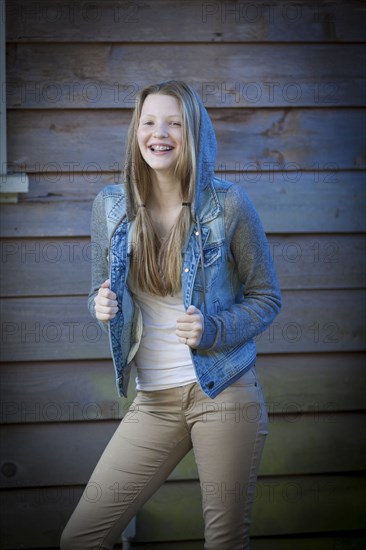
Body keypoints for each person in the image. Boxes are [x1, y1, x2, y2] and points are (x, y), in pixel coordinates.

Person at [60, 80, 282, 550]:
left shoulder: (229, 205)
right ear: (135, 132)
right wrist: (98, 305)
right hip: (154, 400)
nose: (159, 133)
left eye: (174, 123)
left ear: (193, 132)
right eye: (149, 122)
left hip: (223, 391)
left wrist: (214, 328)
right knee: (81, 538)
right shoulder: (110, 207)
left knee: (224, 542)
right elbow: (99, 289)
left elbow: (267, 297)